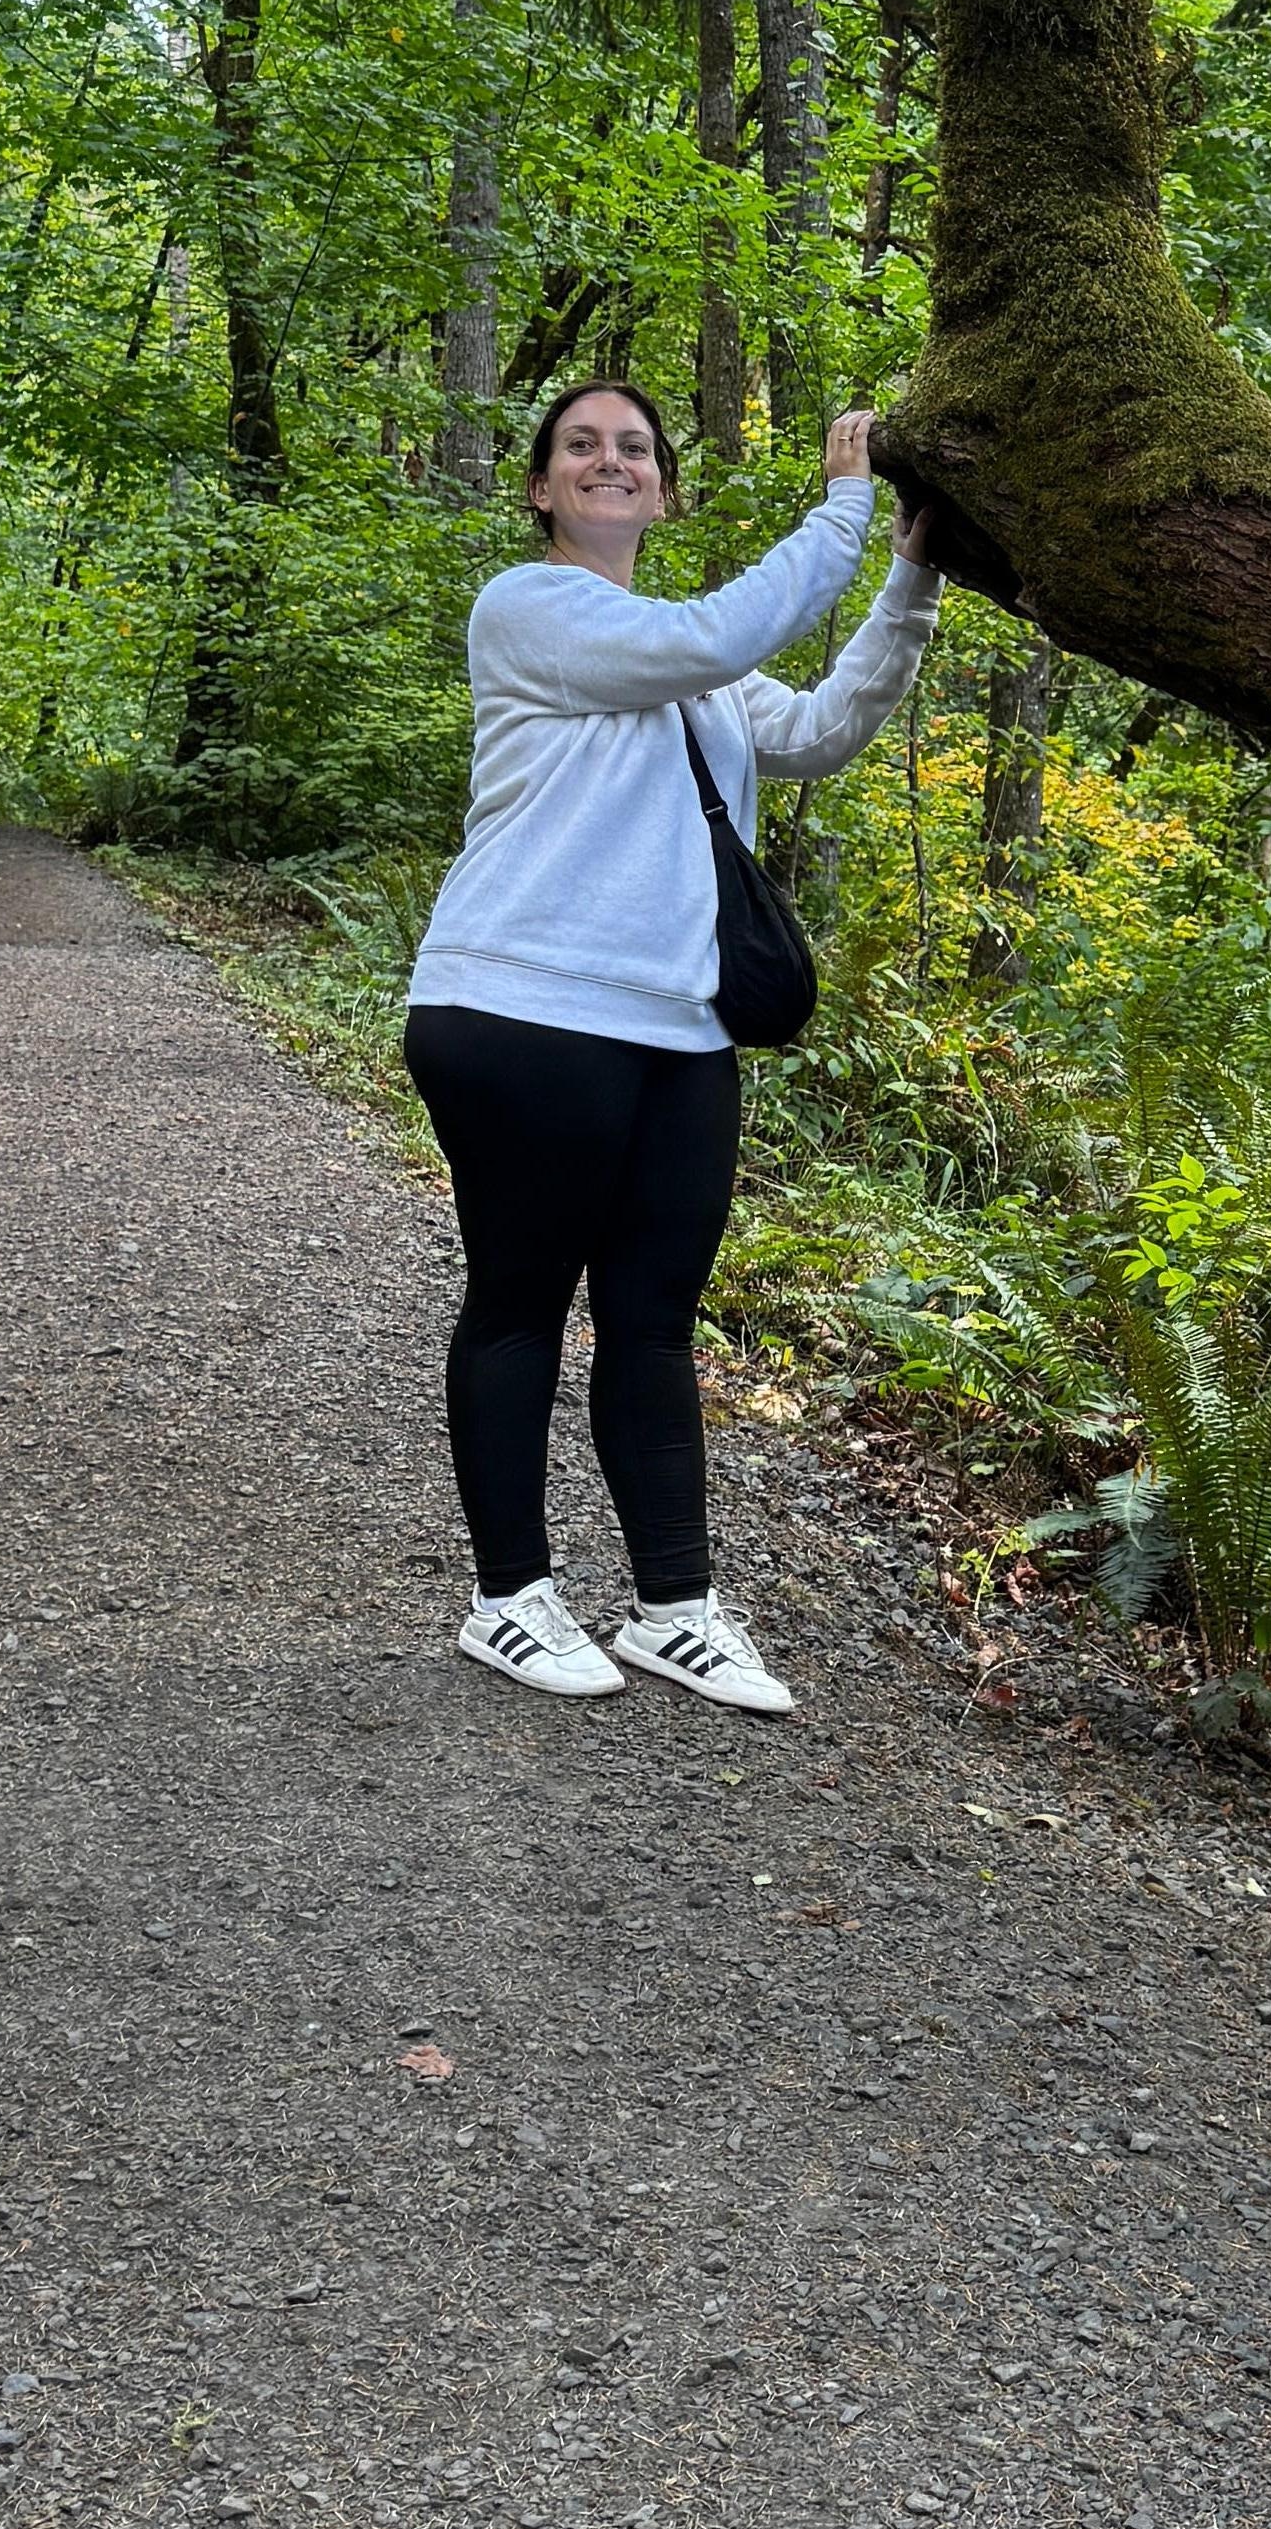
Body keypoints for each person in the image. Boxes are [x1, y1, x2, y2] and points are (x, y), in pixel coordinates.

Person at [402, 385, 937, 1718]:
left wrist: (913, 578)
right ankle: (511, 1599)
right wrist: (848, 498)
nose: (609, 460)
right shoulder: (532, 611)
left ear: (667, 489)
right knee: (521, 1300)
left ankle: (674, 1607)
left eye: (634, 447)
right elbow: (719, 630)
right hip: (522, 1009)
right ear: (540, 488)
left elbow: (820, 730)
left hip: (678, 1028)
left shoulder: (683, 663)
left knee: (653, 1318)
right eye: (579, 445)